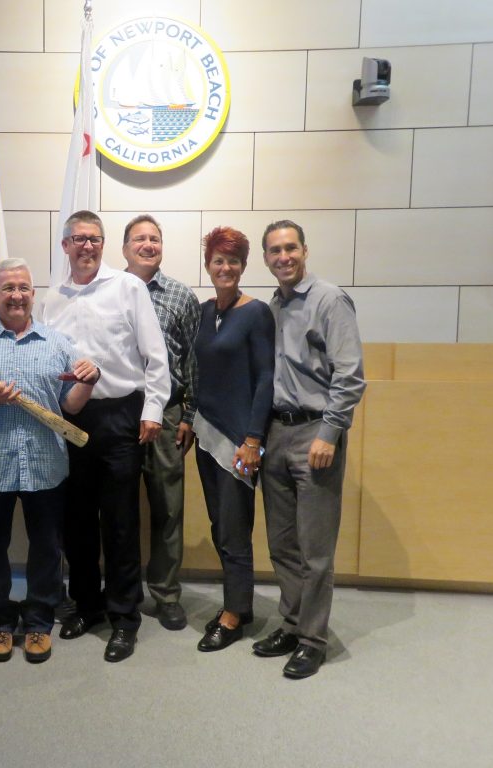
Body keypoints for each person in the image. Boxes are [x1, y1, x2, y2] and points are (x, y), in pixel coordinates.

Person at [0, 258, 99, 663]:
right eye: (7, 288)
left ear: (32, 294)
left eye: (23, 287)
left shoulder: (56, 344)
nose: (16, 295)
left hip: (46, 465)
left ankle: (40, 622)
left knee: (46, 548)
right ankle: (0, 622)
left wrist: (89, 382)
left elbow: (70, 408)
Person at [41, 210, 170, 663]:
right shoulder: (50, 300)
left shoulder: (127, 288)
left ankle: (124, 616)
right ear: (65, 246)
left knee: (119, 522)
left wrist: (152, 409)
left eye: (93, 239)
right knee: (75, 520)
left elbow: (156, 358)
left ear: (103, 243)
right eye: (77, 239)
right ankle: (88, 605)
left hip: (119, 417)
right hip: (69, 419)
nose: (86, 246)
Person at [253, 219, 365, 679]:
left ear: (305, 250)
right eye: (275, 251)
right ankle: (294, 622)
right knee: (282, 544)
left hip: (316, 433)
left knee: (315, 548)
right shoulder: (273, 306)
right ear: (266, 259)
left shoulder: (329, 300)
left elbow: (351, 375)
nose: (284, 257)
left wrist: (330, 432)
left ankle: (313, 641)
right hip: (277, 432)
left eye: (291, 248)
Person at [187, 227, 275, 653]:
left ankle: (235, 614)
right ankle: (236, 602)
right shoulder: (205, 313)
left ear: (244, 266)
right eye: (218, 260)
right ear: (208, 265)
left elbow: (265, 380)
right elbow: (197, 373)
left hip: (239, 441)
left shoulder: (255, 312)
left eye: (234, 261)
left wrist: (254, 439)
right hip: (206, 435)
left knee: (234, 529)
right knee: (219, 524)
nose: (226, 268)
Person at [121, 214, 200, 631]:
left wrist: (188, 414)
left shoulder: (181, 296)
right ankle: (126, 591)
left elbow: (192, 360)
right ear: (124, 248)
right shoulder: (109, 291)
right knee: (119, 507)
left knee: (168, 507)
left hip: (166, 415)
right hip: (118, 413)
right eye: (140, 238)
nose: (148, 245)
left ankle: (167, 594)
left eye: (155, 239)